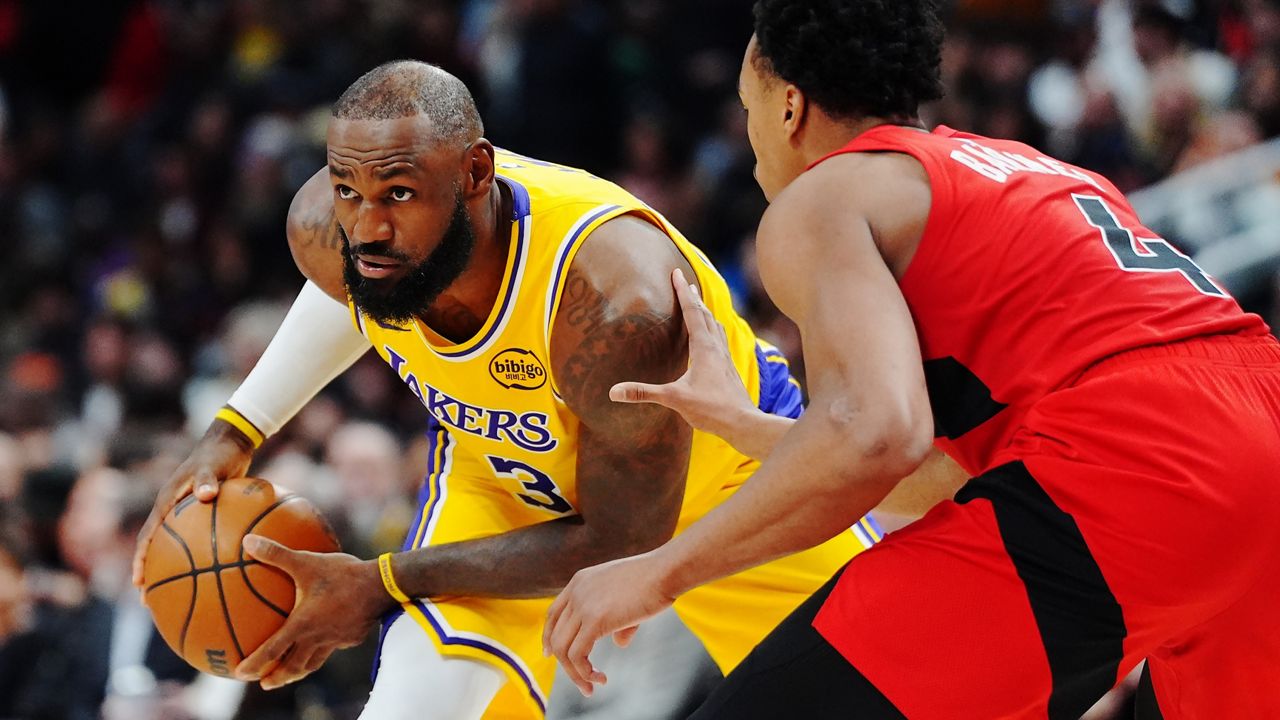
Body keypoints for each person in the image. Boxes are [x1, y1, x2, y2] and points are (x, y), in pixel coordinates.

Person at [543, 1, 1280, 718]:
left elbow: (877, 433)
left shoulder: (822, 200)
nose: (751, 132)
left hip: (1139, 454)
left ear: (790, 107)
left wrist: (658, 573)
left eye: (748, 105)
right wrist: (748, 427)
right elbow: (940, 474)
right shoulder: (1033, 170)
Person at [130, 60, 906, 720]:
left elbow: (622, 537)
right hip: (507, 480)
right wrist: (231, 433)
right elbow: (348, 294)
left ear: (475, 174)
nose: (366, 227)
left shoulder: (610, 300)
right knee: (411, 702)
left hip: (728, 488)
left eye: (398, 193)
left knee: (907, 694)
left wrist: (381, 583)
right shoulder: (338, 233)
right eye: (347, 190)